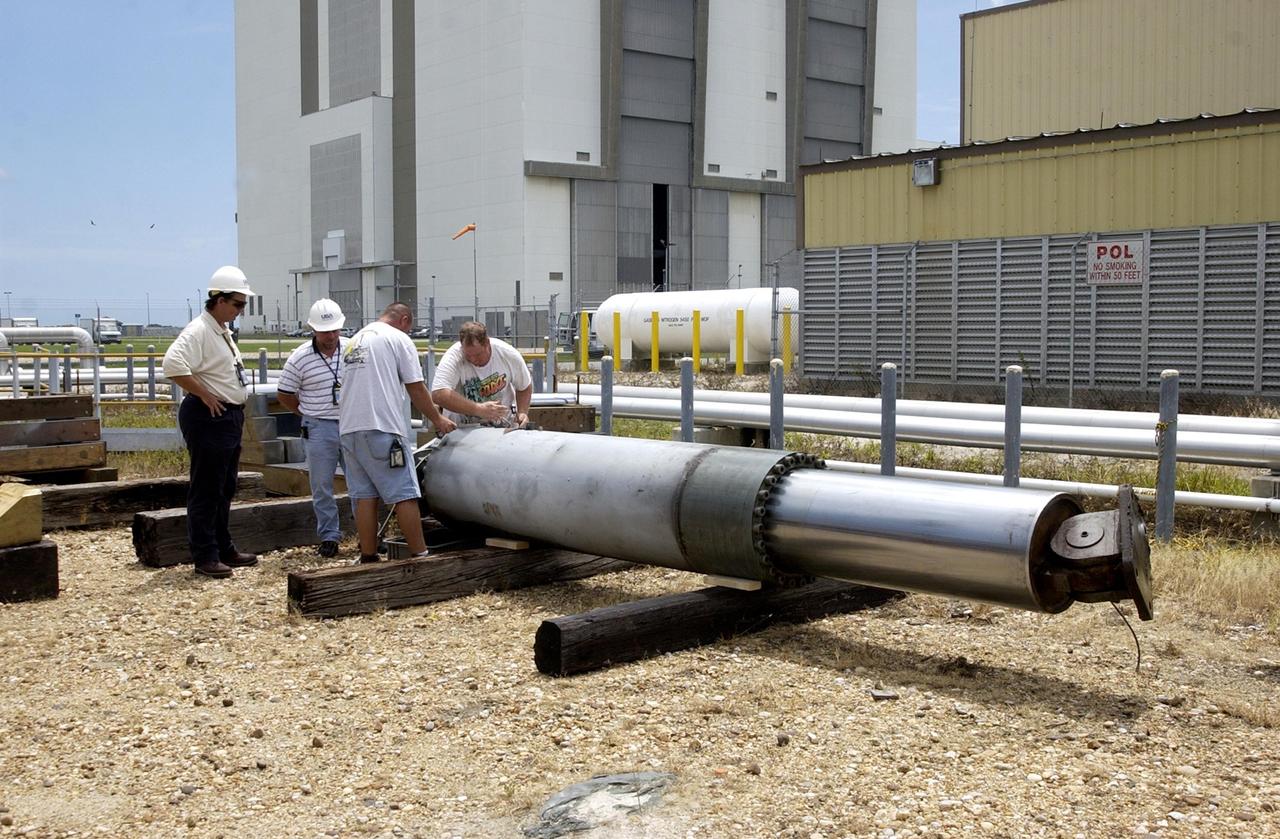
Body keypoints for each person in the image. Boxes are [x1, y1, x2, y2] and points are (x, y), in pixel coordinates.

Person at [339, 302, 456, 563]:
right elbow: (416, 387)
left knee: (364, 496)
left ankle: (368, 556)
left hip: (349, 429)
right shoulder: (398, 339)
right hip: (382, 428)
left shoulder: (356, 339)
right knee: (404, 493)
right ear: (404, 320)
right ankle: (420, 555)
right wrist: (438, 419)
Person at [162, 266, 260, 579]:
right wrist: (203, 395)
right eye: (237, 304)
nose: (240, 310)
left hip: (226, 415)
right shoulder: (199, 330)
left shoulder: (219, 329)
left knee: (224, 485)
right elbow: (172, 364)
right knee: (207, 487)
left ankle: (222, 546)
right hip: (210, 416)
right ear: (218, 300)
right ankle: (205, 554)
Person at [276, 298, 351, 558]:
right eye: (324, 331)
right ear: (313, 330)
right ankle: (329, 535)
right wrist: (305, 411)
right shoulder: (300, 358)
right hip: (319, 425)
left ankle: (368, 533)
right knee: (321, 485)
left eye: (334, 330)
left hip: (350, 423)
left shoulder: (352, 350)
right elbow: (284, 392)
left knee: (362, 481)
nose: (330, 336)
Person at [431, 321, 533, 427]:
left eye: (478, 354)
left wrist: (522, 412)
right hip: (462, 429)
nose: (473, 360)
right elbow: (438, 394)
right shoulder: (454, 356)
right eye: (468, 355)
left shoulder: (507, 354)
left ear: (487, 343)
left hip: (502, 426)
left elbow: (524, 386)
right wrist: (479, 409)